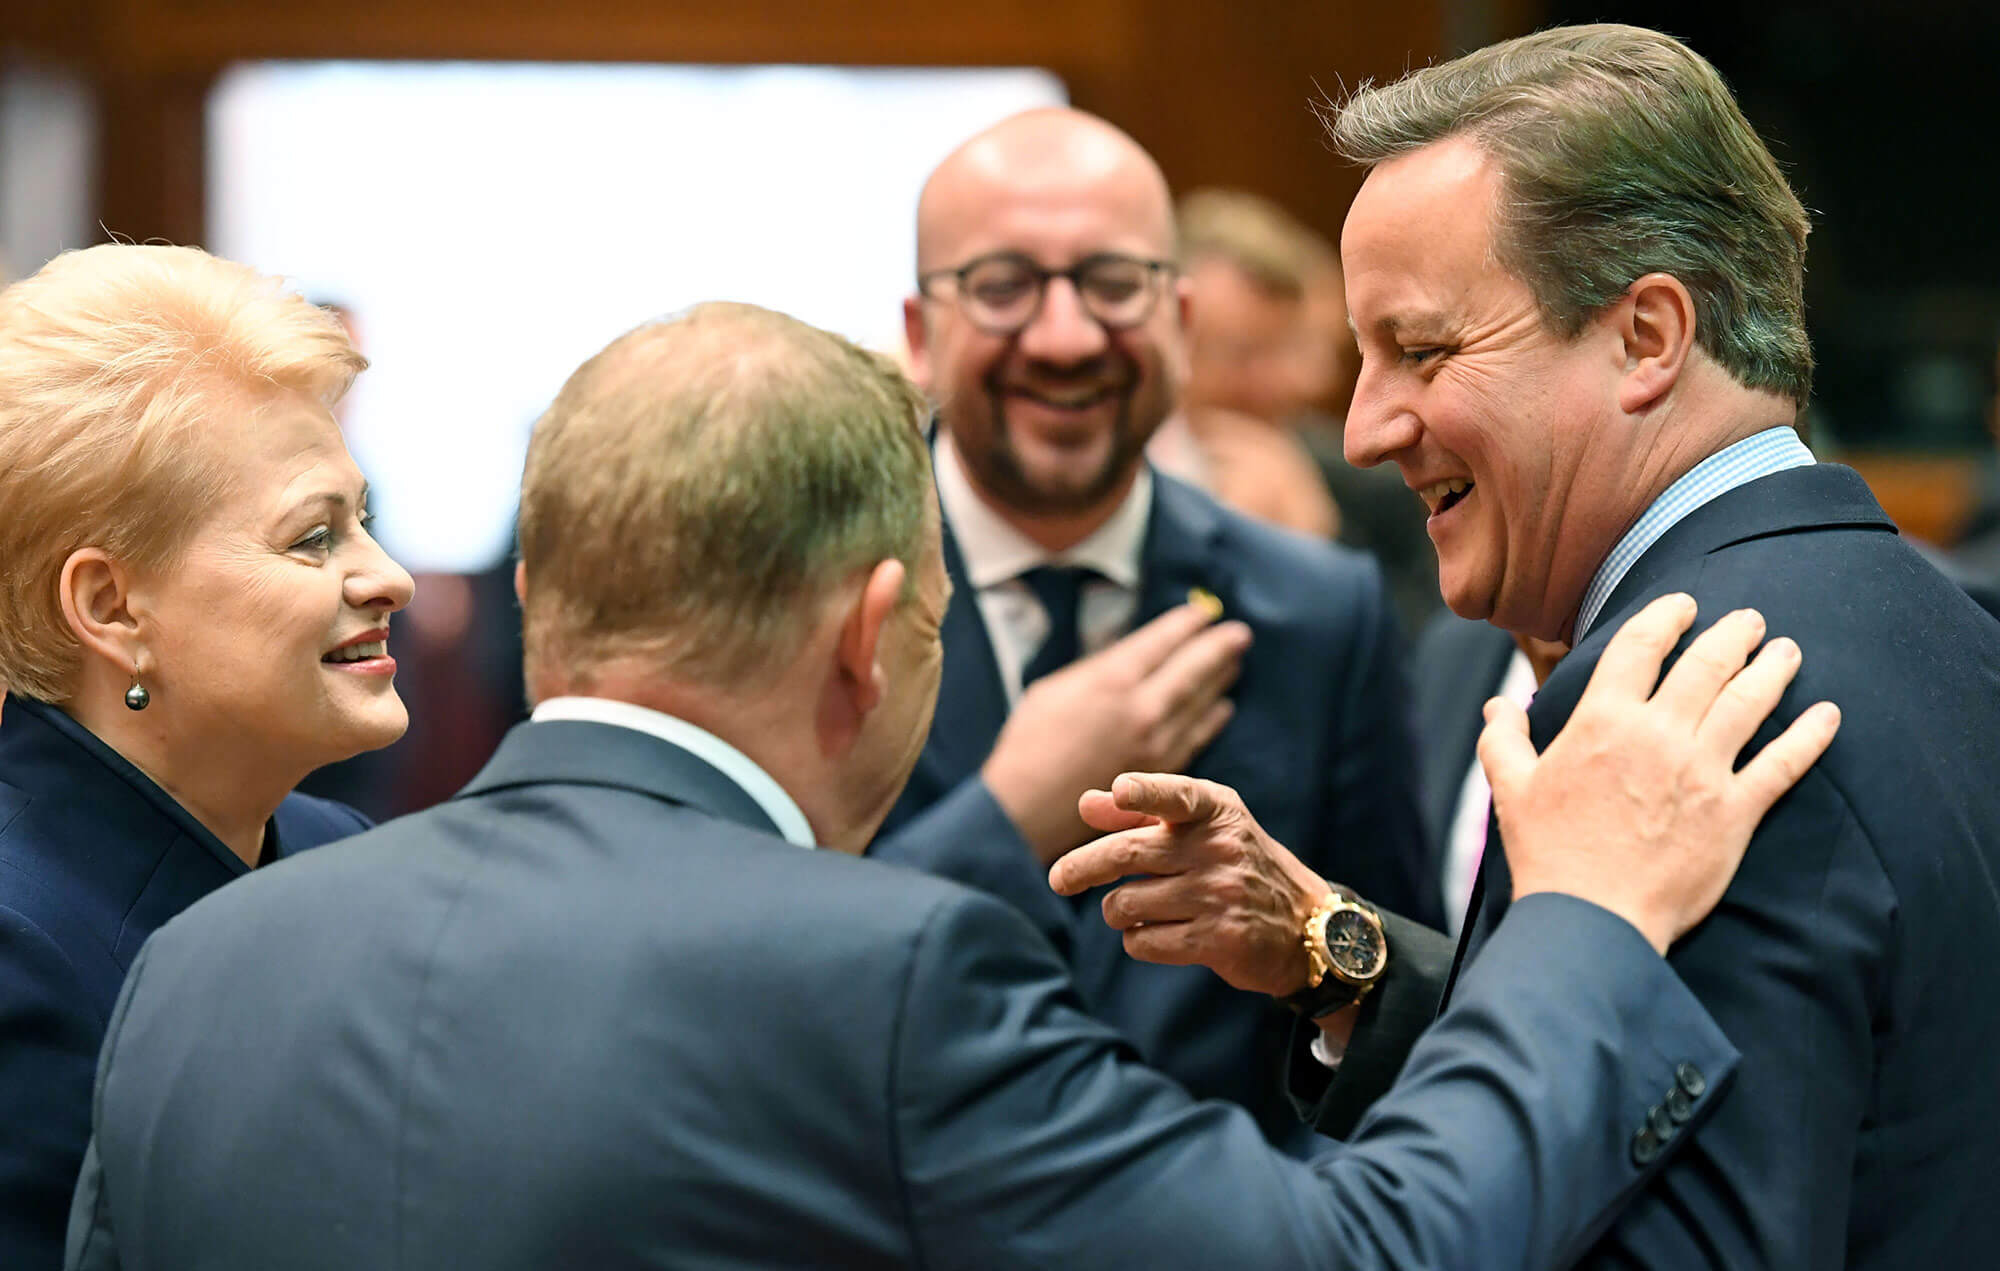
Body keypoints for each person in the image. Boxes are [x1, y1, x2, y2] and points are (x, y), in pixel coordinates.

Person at [66, 301, 1839, 1270]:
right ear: (875, 634)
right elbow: (1362, 1253)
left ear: (544, 601)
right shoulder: (886, 972)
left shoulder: (202, 961)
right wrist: (1594, 915)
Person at [1055, 24, 2000, 1267]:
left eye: (1421, 349)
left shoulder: (1666, 711)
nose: (1360, 430)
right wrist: (1344, 956)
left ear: (1646, 337)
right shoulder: (1942, 624)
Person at [871, 107, 1434, 1153]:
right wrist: (1003, 818)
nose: (1065, 335)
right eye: (1001, 285)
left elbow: (1395, 1010)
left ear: (1174, 319)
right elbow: (746, 971)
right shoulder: (825, 602)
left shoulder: (1319, 612)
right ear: (916, 333)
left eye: (1111, 283)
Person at [0, 244, 415, 1267]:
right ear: (110, 607)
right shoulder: (16, 947)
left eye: (360, 520)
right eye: (313, 539)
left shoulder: (336, 847)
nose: (390, 576)